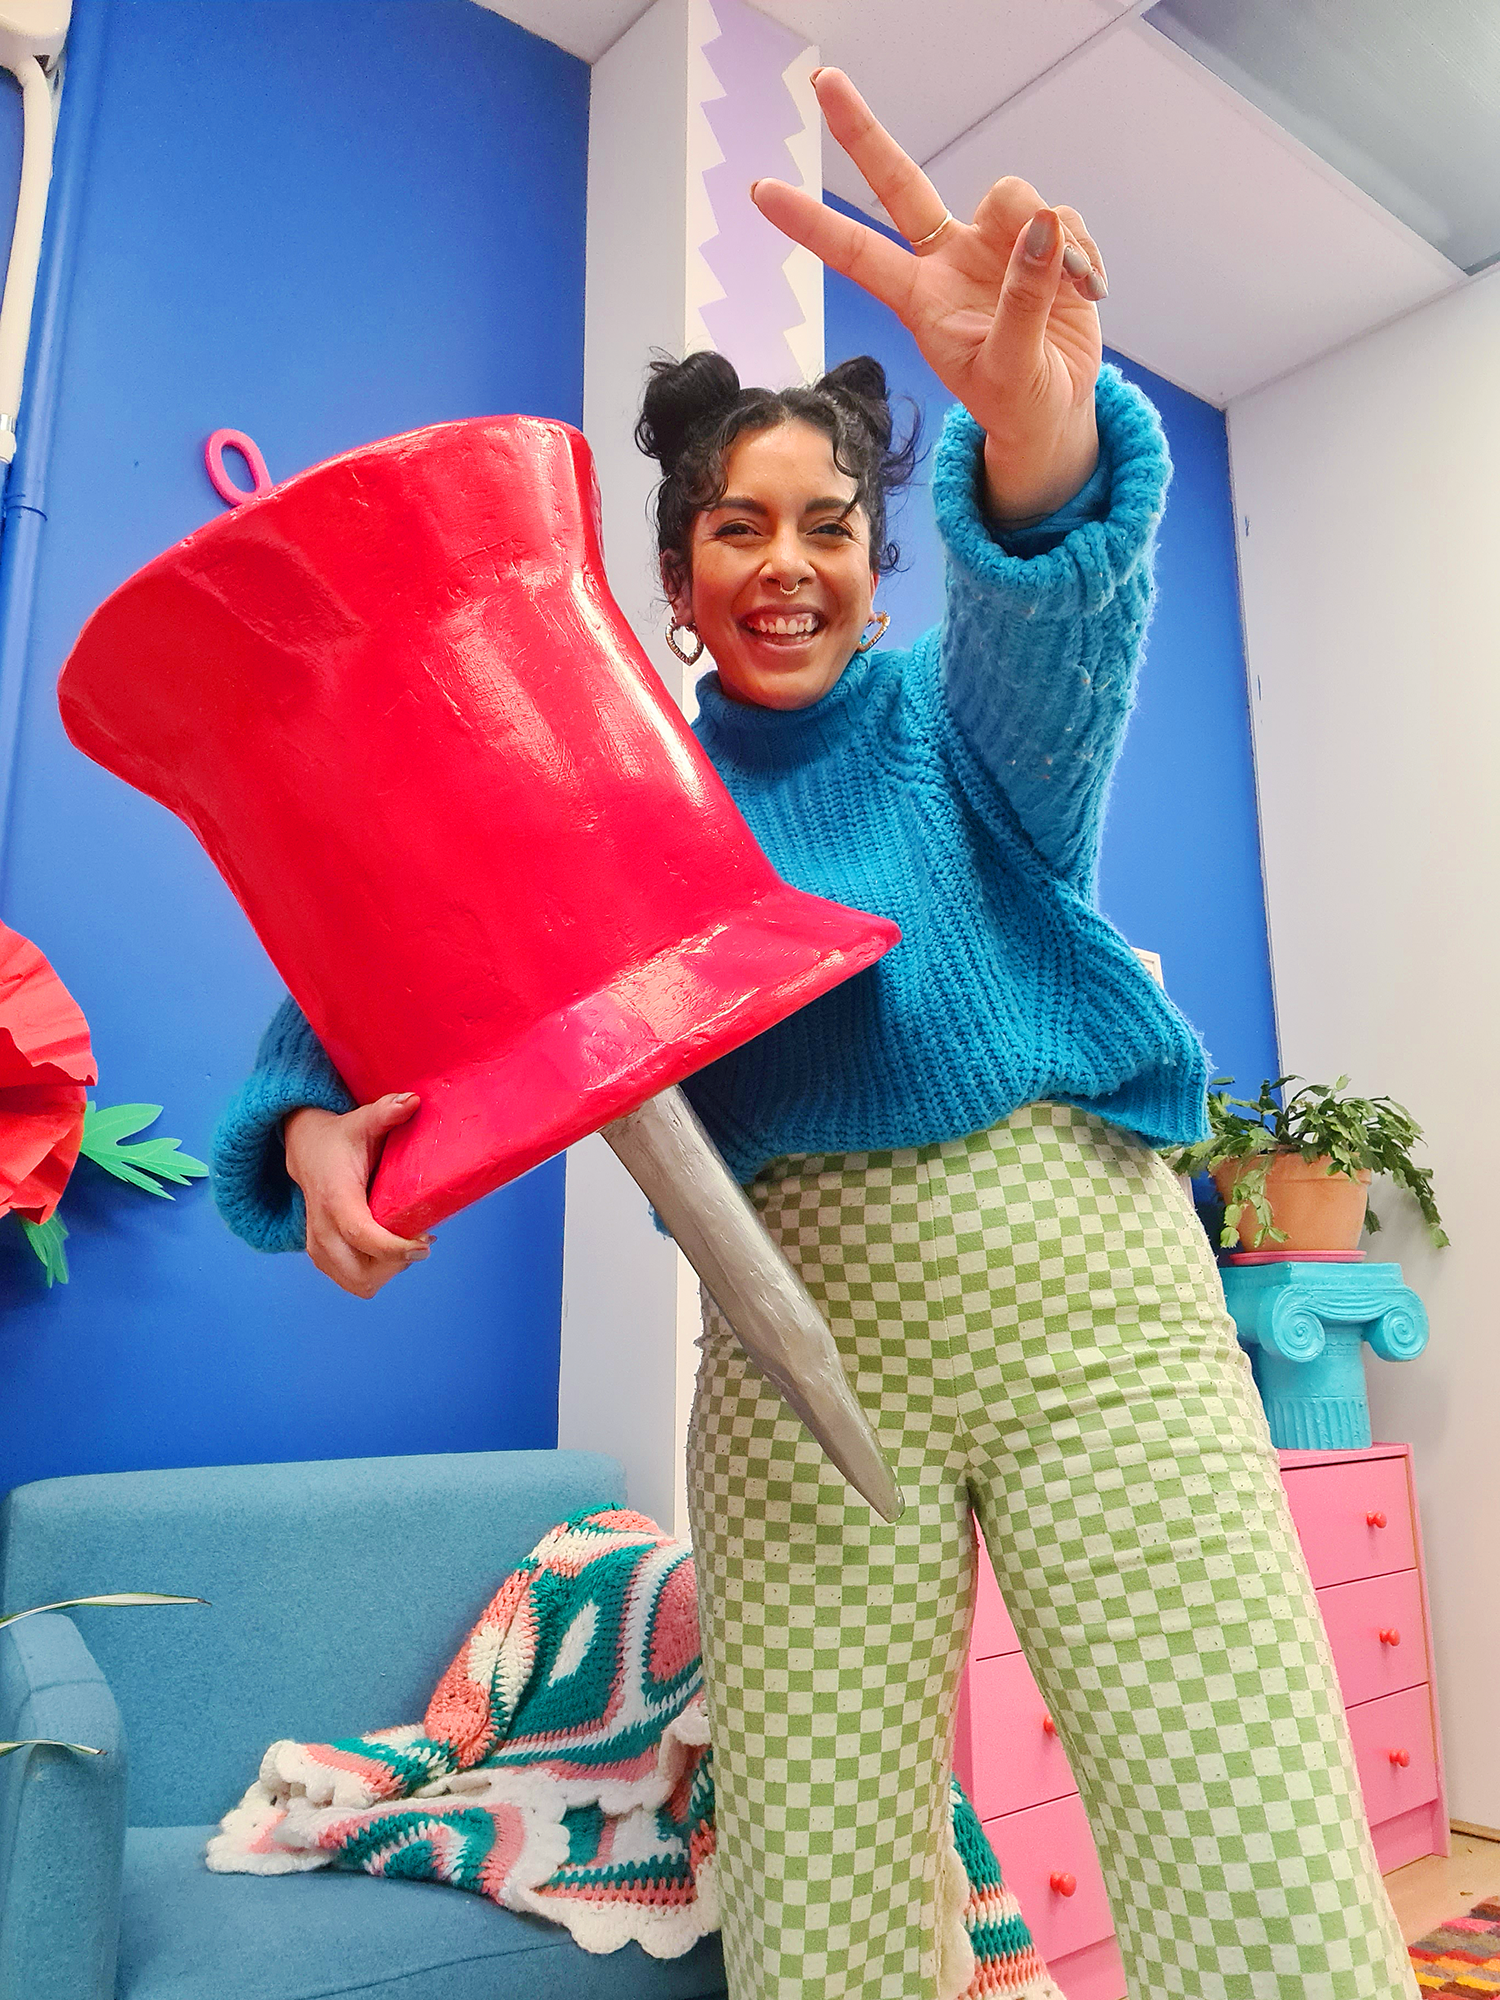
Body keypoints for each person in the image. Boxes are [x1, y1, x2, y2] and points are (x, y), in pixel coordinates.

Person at [212, 68, 1417, 2000]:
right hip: (792, 1350)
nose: (788, 561)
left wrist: (1037, 432)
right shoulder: (621, 794)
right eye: (738, 528)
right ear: (680, 572)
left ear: (877, 549)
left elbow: (1065, 608)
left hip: (1092, 1307)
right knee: (821, 1893)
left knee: (1242, 1817)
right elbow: (397, 934)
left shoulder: (959, 719)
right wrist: (310, 1123)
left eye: (830, 525)